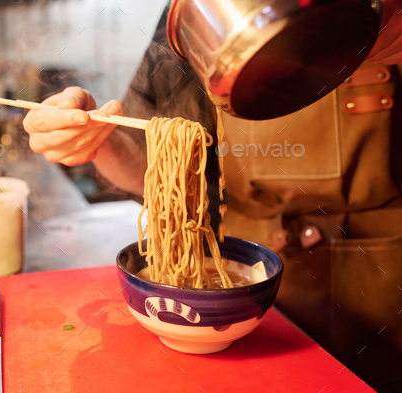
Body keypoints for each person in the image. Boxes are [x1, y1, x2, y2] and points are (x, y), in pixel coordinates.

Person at [23, 4, 402, 392]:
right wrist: (97, 139)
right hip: (237, 283)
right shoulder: (199, 14)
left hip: (379, 280)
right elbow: (148, 161)